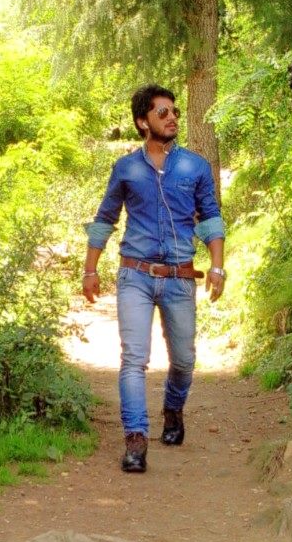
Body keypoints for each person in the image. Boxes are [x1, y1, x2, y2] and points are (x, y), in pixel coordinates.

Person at [82, 84, 226, 473]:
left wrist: (217, 266)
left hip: (180, 278)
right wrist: (90, 270)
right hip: (136, 275)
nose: (172, 117)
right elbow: (105, 219)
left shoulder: (195, 167)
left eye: (174, 111)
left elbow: (211, 218)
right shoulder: (126, 168)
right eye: (163, 113)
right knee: (134, 358)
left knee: (184, 360)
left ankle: (173, 409)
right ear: (143, 122)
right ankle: (136, 439)